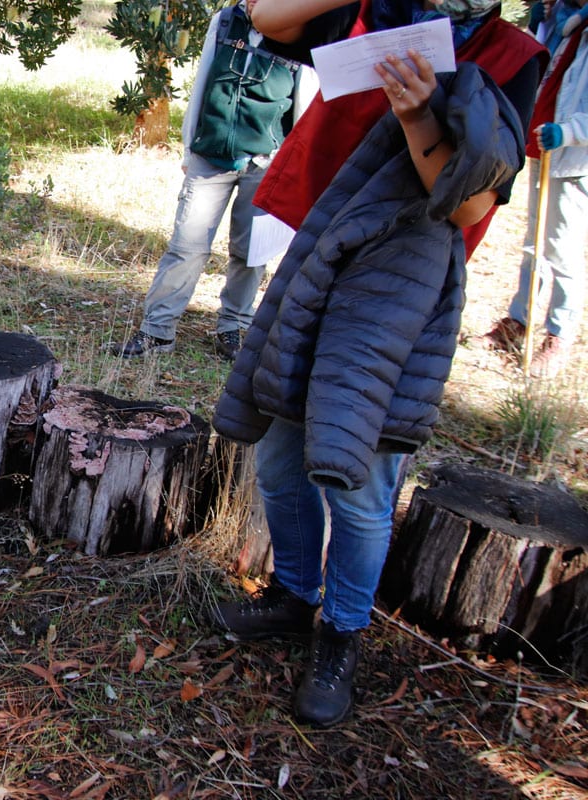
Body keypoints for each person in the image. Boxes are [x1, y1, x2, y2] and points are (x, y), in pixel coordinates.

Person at [209, 0, 545, 728]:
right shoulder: (382, 13)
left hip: (397, 289)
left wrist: (422, 115)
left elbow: (467, 206)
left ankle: (343, 634)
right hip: (319, 251)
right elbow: (270, 18)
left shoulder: (515, 55)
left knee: (359, 479)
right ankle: (296, 598)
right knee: (278, 453)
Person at [113, 0, 317, 361]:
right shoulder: (226, 21)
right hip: (211, 153)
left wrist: (293, 170)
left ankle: (234, 327)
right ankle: (157, 331)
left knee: (250, 253)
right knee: (186, 245)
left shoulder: (303, 28)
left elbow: (305, 105)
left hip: (266, 161)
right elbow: (204, 82)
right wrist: (190, 148)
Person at [480, 0, 587, 377]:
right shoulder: (571, 26)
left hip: (575, 161)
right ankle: (519, 322)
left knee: (563, 251)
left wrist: (570, 132)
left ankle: (558, 335)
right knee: (534, 243)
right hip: (547, 148)